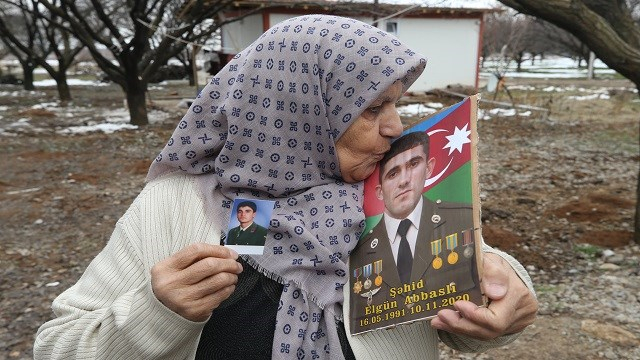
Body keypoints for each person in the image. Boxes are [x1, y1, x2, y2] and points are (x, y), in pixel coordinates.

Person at [34, 15, 537, 360]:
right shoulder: (174, 206)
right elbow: (58, 347)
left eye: (396, 105)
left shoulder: (390, 194)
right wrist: (153, 313)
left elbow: (468, 309)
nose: (396, 126)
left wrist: (507, 299)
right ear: (298, 110)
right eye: (372, 108)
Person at [349, 131, 482, 333]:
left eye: (413, 164)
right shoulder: (359, 247)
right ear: (379, 191)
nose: (404, 180)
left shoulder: (461, 219)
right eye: (392, 174)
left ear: (429, 168)